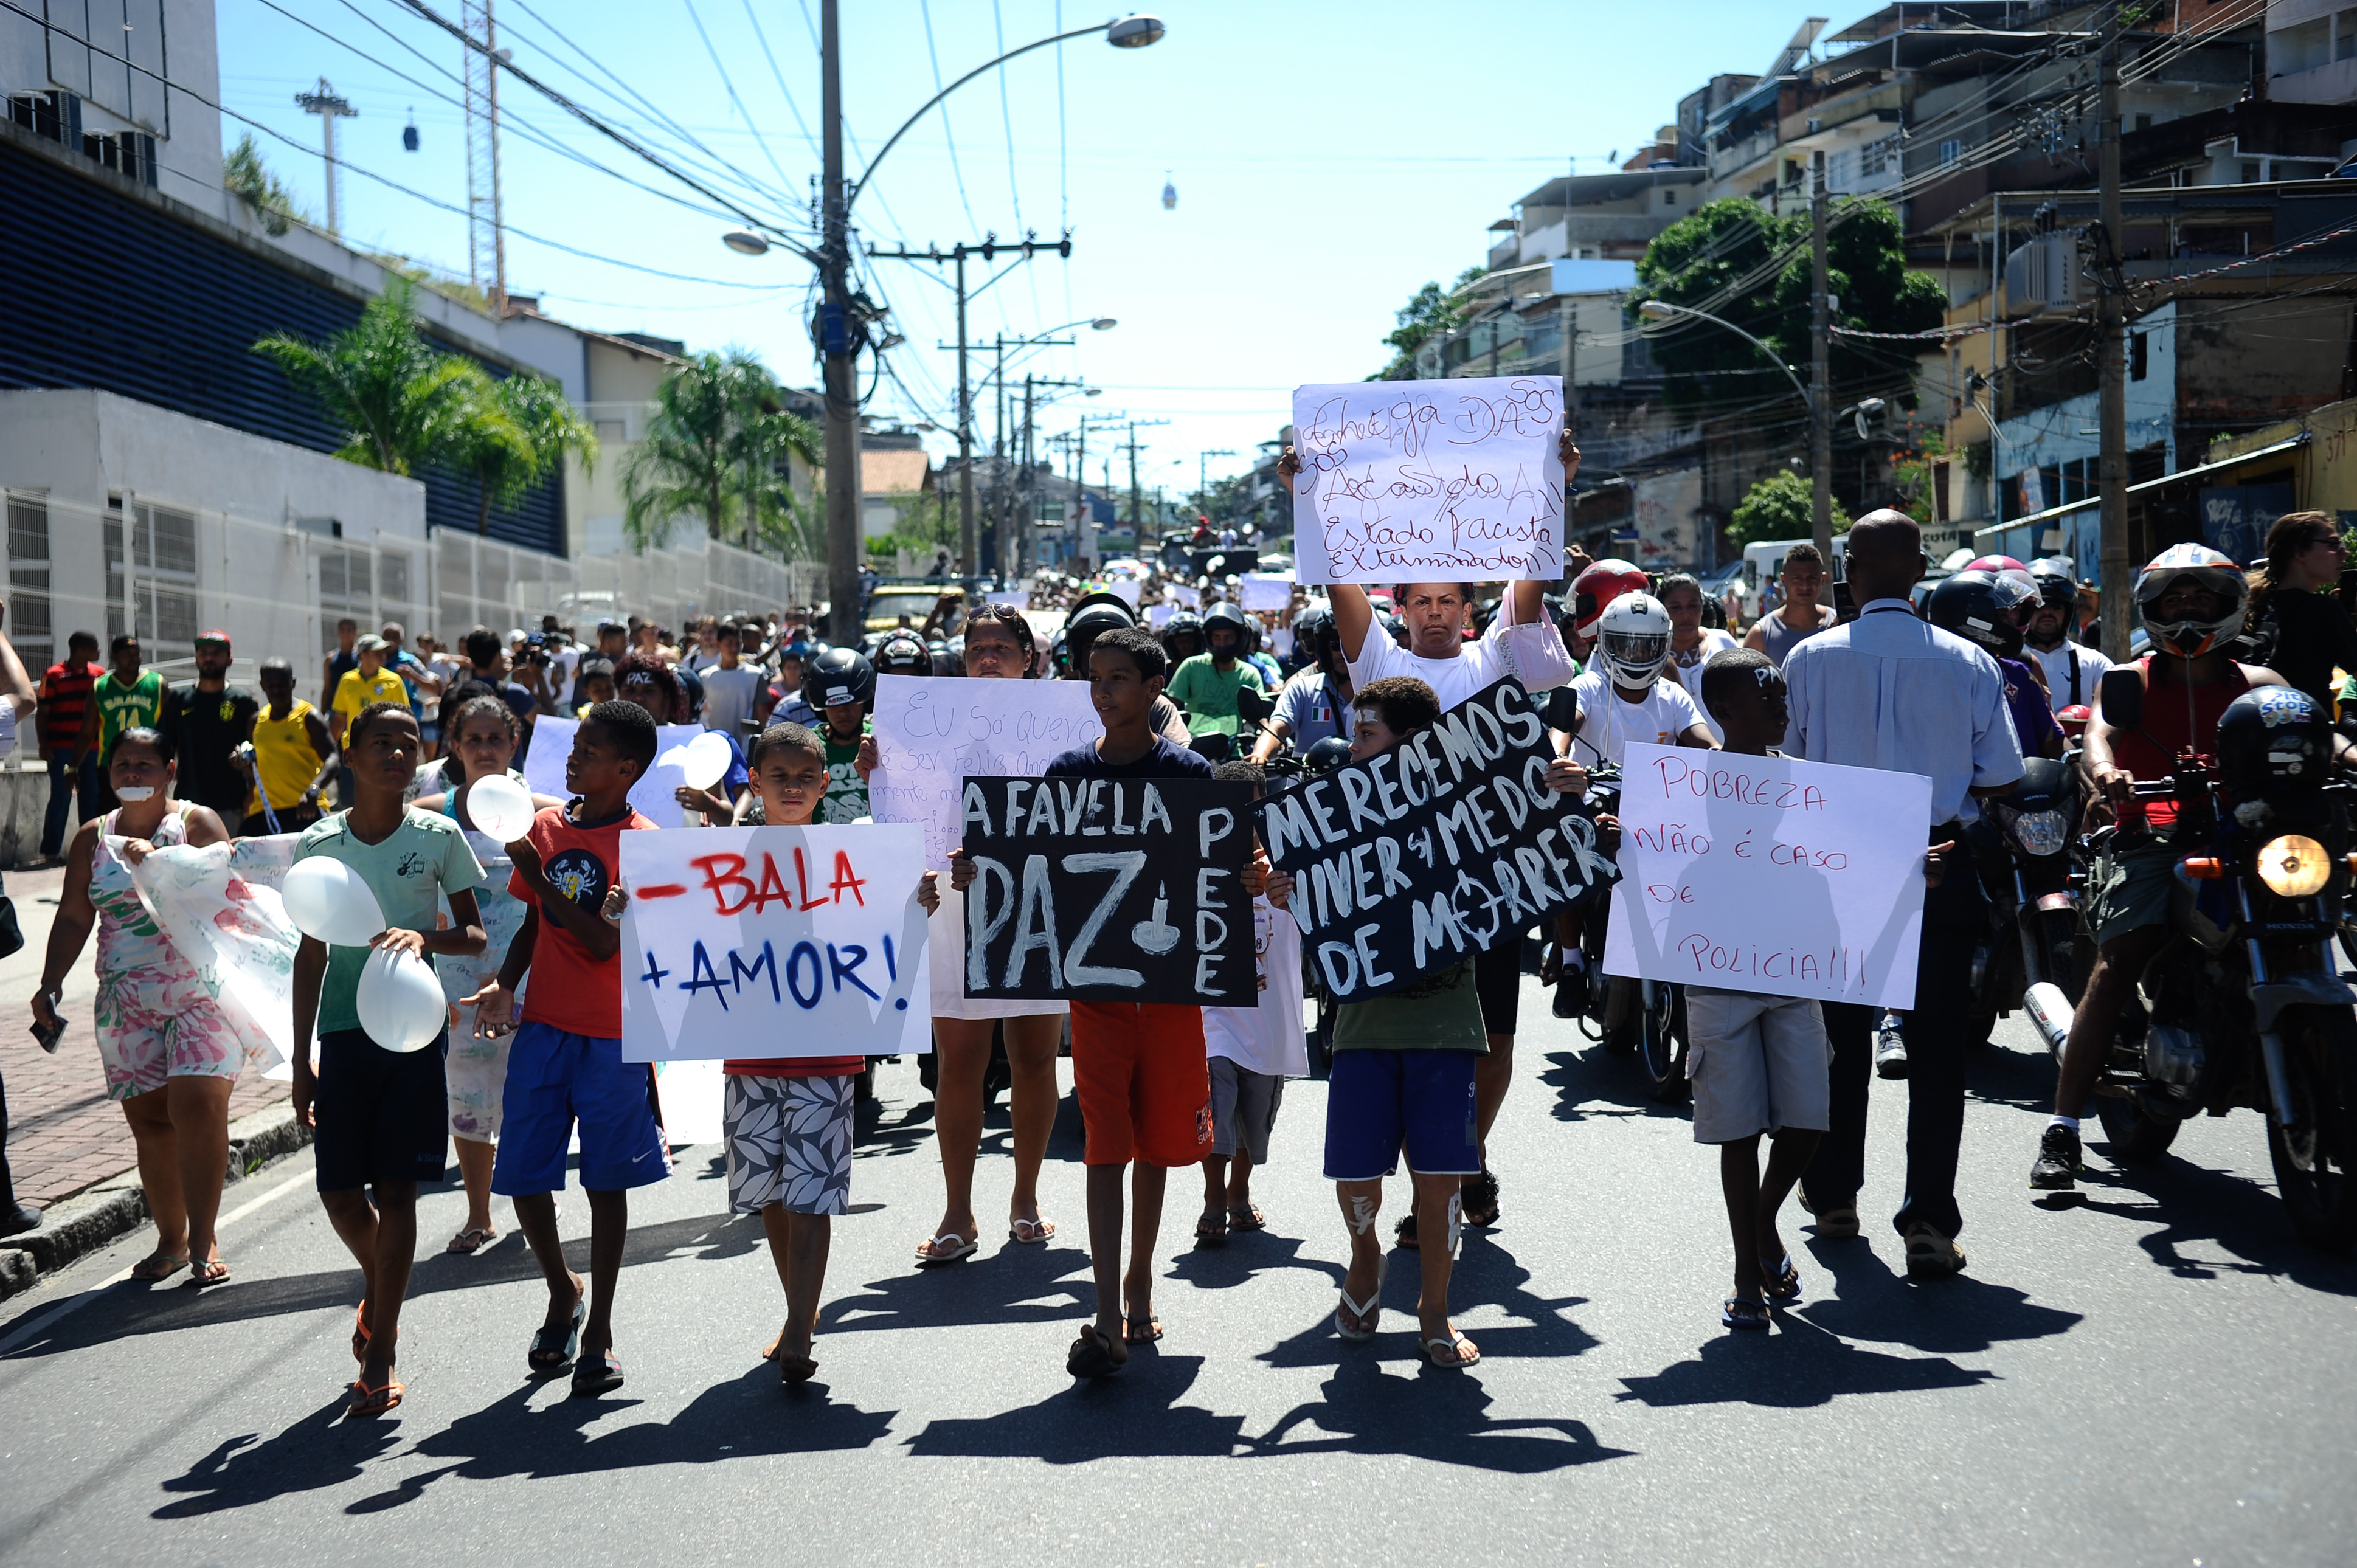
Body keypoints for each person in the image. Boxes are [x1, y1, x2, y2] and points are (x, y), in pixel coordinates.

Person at [955, 628, 1214, 1378]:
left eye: (1121, 678)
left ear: (1156, 683)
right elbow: (1035, 862)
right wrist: (986, 868)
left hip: (1169, 995)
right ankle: (1106, 1309)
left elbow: (1218, 866)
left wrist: (1249, 879)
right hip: (1096, 995)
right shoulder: (1066, 773)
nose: (1105, 692)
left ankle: (1140, 1276)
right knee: (1106, 1142)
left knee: (1160, 1143)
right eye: (1095, 678)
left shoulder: (1190, 773)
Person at [1782, 510, 2023, 1279]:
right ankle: (1927, 1220)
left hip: (1837, 866)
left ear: (1849, 571)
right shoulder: (1969, 662)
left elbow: (1788, 771)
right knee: (1937, 1050)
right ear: (1921, 568)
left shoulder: (1808, 660)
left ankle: (1832, 1198)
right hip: (1937, 862)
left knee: (1842, 1043)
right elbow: (2003, 776)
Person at [2030, 546, 2310, 1192]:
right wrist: (2106, 772)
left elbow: (2313, 729)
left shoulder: (2262, 684)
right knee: (2120, 958)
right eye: (2176, 599)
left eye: (2202, 598)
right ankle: (2064, 1127)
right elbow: (2099, 734)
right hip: (2152, 835)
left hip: (2250, 836)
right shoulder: (2130, 679)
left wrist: (2346, 751)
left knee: (2312, 917)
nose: (2188, 608)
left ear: (2228, 605)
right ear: (2155, 609)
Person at [466, 700, 671, 1399]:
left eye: (589, 749)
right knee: (524, 1174)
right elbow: (532, 925)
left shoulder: (644, 843)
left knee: (605, 1182)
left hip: (614, 1035)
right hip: (545, 1027)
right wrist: (504, 981)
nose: (573, 757)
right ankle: (562, 1287)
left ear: (627, 769)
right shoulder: (547, 827)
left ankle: (602, 1330)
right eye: (574, 745)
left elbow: (600, 938)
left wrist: (536, 863)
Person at [725, 721, 941, 1382]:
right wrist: (633, 907)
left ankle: (798, 1324)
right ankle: (800, 1307)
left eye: (804, 777)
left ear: (825, 784)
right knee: (768, 1192)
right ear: (754, 783)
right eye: (778, 777)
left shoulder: (854, 855)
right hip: (751, 1053)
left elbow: (882, 927)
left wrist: (916, 904)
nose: (791, 787)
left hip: (825, 1052)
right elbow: (687, 936)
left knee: (811, 1192)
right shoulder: (721, 861)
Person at [289, 702, 486, 1417]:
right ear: (350, 751)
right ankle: (384, 1292)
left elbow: (472, 932)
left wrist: (423, 937)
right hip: (342, 1037)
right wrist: (300, 1060)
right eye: (382, 742)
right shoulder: (318, 840)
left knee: (399, 1191)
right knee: (341, 1192)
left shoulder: (439, 833)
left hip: (412, 1034)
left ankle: (382, 1350)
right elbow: (310, 952)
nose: (399, 754)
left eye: (410, 743)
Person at [31, 723, 271, 1285]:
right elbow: (73, 914)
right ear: (109, 775)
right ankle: (171, 1238)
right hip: (125, 998)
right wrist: (50, 982)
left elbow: (227, 892)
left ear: (171, 772)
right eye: (123, 766)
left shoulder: (193, 823)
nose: (133, 773)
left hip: (199, 993)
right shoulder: (92, 837)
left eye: (145, 765)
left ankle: (204, 1238)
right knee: (151, 1123)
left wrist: (161, 864)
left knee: (197, 1107)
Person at [1320, 675, 1487, 1367]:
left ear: (1413, 744)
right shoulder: (1334, 812)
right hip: (1362, 1025)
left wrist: (1571, 807)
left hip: (1446, 1026)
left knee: (1441, 1176)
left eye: (1367, 734)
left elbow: (1535, 862)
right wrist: (1280, 885)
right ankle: (1366, 1257)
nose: (1354, 749)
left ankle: (1434, 1308)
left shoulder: (1472, 810)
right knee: (1357, 1173)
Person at [910, 607, 1067, 1266]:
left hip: (1037, 903)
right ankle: (957, 1209)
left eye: (1003, 646)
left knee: (1034, 1058)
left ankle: (1025, 1197)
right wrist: (878, 766)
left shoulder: (1062, 723)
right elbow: (906, 808)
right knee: (959, 1062)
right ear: (962, 656)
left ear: (1029, 658)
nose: (989, 655)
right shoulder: (923, 725)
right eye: (978, 646)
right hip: (955, 903)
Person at [1689, 649, 1834, 1329]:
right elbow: (1655, 855)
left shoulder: (1807, 783)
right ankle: (1748, 1271)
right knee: (1740, 1130)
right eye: (1767, 697)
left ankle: (1764, 1219)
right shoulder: (1681, 787)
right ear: (1723, 712)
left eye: (1782, 695)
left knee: (1808, 1118)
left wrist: (1906, 868)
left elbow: (1849, 862)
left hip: (1793, 966)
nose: (1782, 707)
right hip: (1718, 972)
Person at [415, 694, 563, 1254]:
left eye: (494, 739)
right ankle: (480, 1214)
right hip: (456, 983)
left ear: (513, 745)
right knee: (468, 1096)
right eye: (472, 739)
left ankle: (534, 1207)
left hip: (535, 974)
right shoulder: (428, 816)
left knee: (534, 1094)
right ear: (455, 747)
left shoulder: (549, 813)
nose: (484, 749)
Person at [1193, 759, 1306, 1246]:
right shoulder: (1195, 861)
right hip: (1214, 1017)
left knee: (1255, 1120)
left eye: (1252, 810)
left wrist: (1283, 887)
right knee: (1216, 1107)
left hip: (1269, 1018)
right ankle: (1214, 1197)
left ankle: (1240, 1189)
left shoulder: (1293, 860)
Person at [1563, 593, 1717, 767]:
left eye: (1648, 646)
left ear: (1665, 645)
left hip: (1654, 794)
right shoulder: (1587, 687)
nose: (1637, 654)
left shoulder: (1674, 696)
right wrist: (1559, 757)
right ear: (1606, 641)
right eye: (1624, 646)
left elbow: (1710, 746)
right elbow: (1561, 731)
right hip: (1590, 793)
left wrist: (1727, 760)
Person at [2245, 511, 2357, 715]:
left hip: (2255, 733)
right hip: (2308, 736)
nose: (2345, 553)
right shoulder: (2325, 609)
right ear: (2300, 553)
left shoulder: (2252, 606)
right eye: (2333, 544)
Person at [158, 631, 258, 827]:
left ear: (229, 660)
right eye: (204, 652)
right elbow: (163, 748)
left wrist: (251, 794)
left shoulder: (243, 702)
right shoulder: (178, 700)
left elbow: (256, 754)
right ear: (196, 658)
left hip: (231, 803)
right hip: (187, 803)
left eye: (217, 653)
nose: (209, 658)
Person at [237, 657, 338, 836]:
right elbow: (258, 770)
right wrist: (243, 766)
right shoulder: (256, 722)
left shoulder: (309, 717)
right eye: (271, 685)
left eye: (282, 684)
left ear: (293, 682)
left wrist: (314, 790)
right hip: (265, 811)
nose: (277, 690)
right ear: (262, 686)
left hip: (304, 808)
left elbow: (333, 759)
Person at [1253, 607, 1351, 763]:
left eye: (1351, 644)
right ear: (1325, 648)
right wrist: (1260, 755)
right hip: (1307, 785)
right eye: (1334, 644)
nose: (1343, 652)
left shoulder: (1380, 696)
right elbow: (1276, 730)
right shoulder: (1301, 689)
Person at [37, 630, 103, 862]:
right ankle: (51, 851)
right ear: (83, 650)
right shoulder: (53, 676)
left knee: (92, 798)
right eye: (96, 646)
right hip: (61, 748)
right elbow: (42, 714)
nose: (100, 652)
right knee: (61, 797)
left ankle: (91, 850)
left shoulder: (100, 675)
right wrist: (43, 744)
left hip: (93, 750)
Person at [79, 634, 165, 800]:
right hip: (112, 764)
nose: (133, 659)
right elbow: (87, 732)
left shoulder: (157, 684)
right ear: (115, 657)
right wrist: (74, 767)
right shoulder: (101, 687)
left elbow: (170, 728)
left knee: (149, 817)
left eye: (136, 654)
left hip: (149, 763)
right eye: (127, 655)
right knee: (111, 817)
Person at [1165, 603, 1266, 739]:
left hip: (1234, 749)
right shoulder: (1192, 667)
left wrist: (1266, 743)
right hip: (1195, 747)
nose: (1222, 644)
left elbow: (1261, 718)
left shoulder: (1249, 674)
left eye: (1229, 638)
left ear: (1239, 638)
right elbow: (1168, 708)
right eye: (1216, 637)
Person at [1661, 573, 1740, 740]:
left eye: (1693, 605)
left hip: (1727, 757)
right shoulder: (1652, 654)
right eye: (1675, 607)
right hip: (1672, 760)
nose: (1685, 614)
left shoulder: (1724, 642)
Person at [2025, 559, 2110, 711]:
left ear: (2068, 611)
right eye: (2039, 605)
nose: (2047, 612)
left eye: (2056, 606)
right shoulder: (2007, 662)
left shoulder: (2095, 663)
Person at [1742, 543, 1839, 666]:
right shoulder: (1760, 636)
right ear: (1783, 580)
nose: (1805, 586)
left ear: (1823, 579)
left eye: (1812, 578)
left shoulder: (1839, 625)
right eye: (1797, 578)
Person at [330, 635, 409, 750]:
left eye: (384, 652)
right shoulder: (347, 680)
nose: (383, 655)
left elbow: (404, 717)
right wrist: (330, 749)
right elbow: (339, 717)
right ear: (363, 655)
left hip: (383, 748)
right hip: (353, 748)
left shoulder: (394, 680)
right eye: (377, 652)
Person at [698, 621, 762, 737]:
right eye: (729, 644)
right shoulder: (706, 677)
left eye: (738, 644)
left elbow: (761, 714)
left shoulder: (755, 675)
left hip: (744, 748)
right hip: (715, 743)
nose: (734, 648)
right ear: (718, 645)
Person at [320, 617, 359, 711]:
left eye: (349, 630)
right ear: (338, 632)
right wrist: (322, 711)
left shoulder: (361, 657)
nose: (346, 633)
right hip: (334, 709)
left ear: (355, 633)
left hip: (354, 707)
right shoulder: (330, 658)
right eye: (343, 630)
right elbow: (327, 687)